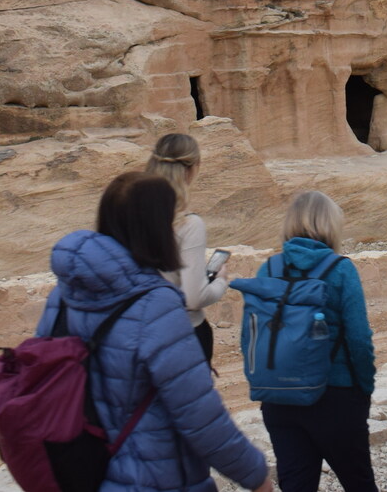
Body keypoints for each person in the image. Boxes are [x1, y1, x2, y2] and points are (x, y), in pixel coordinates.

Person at [38, 172, 272, 492]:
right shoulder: (156, 305)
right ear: (156, 227)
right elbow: (199, 416)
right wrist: (255, 475)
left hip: (80, 467)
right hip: (151, 476)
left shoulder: (63, 294)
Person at [255, 190, 378, 492]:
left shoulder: (268, 269)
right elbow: (359, 339)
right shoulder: (341, 269)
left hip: (279, 398)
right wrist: (364, 388)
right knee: (359, 483)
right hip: (334, 397)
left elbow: (255, 335)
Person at [145, 132, 229, 362]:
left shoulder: (128, 212)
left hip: (136, 330)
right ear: (192, 169)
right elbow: (193, 298)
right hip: (181, 333)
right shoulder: (188, 224)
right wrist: (220, 281)